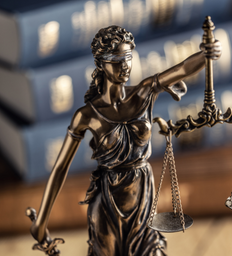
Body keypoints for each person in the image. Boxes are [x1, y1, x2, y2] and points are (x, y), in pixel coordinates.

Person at [29, 25, 221, 256]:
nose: (125, 66)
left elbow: (182, 69)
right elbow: (60, 168)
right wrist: (41, 221)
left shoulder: (143, 92)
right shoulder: (86, 115)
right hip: (108, 202)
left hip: (143, 196)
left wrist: (206, 54)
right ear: (101, 64)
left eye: (128, 58)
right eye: (117, 60)